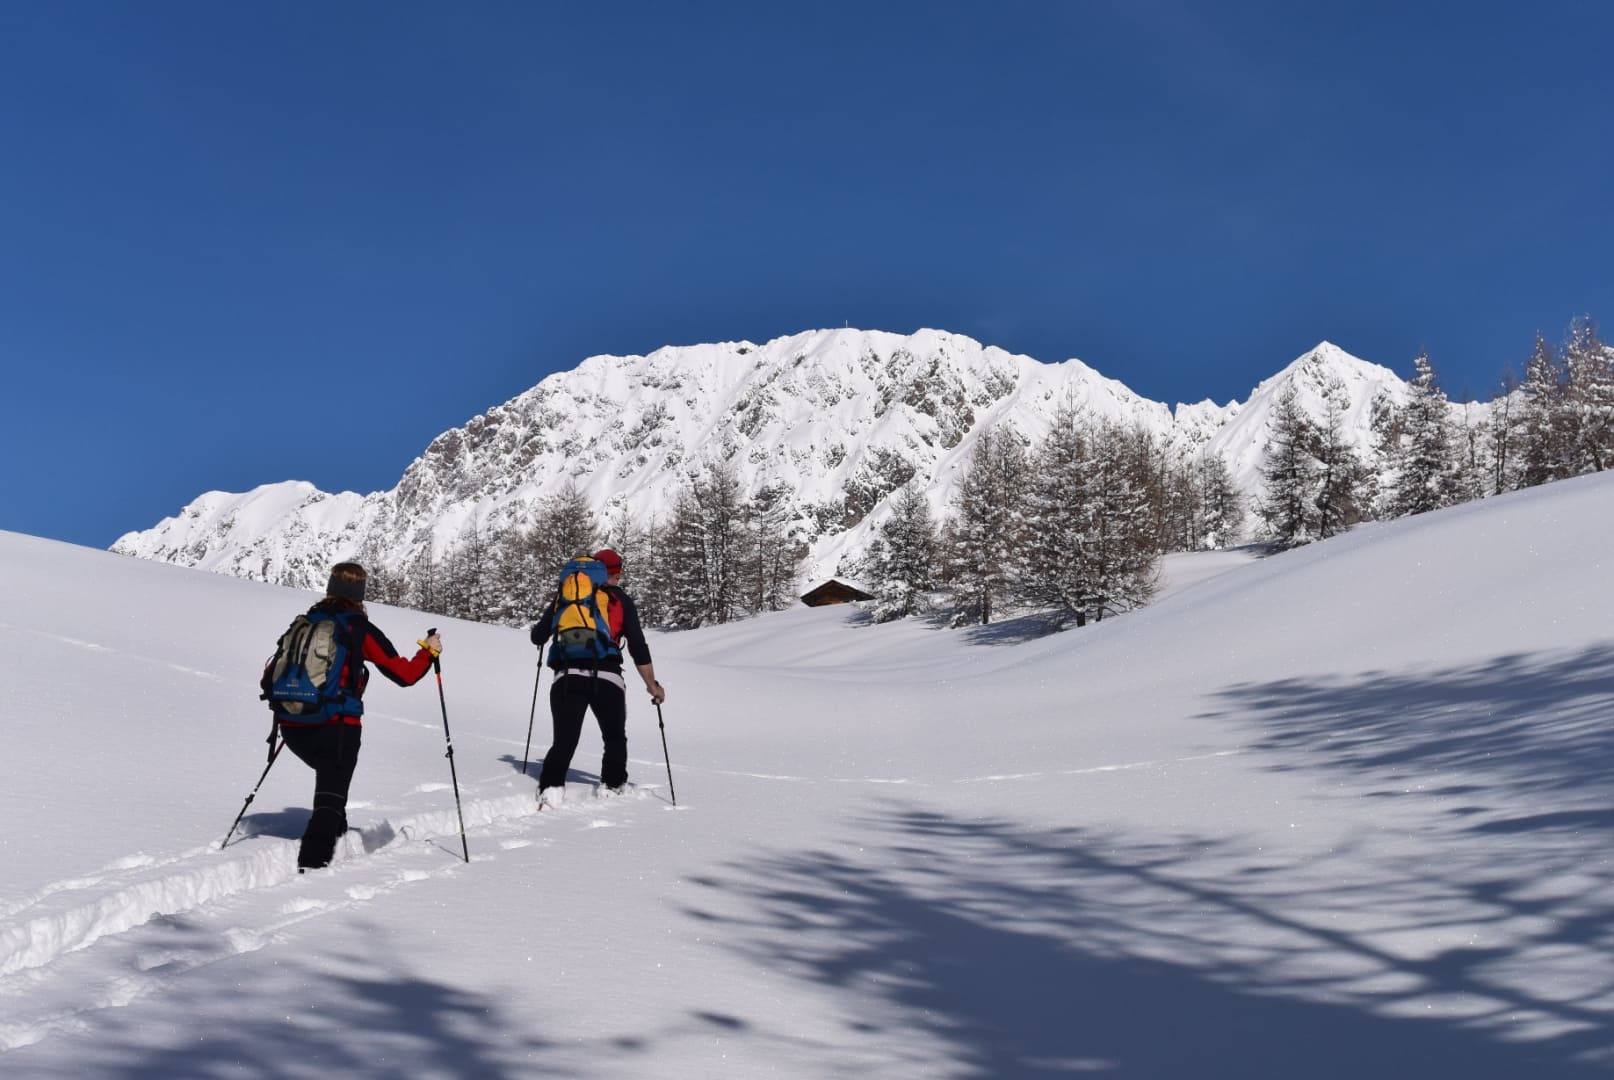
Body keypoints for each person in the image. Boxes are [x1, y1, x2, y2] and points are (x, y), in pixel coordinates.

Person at [262, 562, 441, 869]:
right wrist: (429, 651)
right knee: (329, 801)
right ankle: (311, 869)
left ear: (330, 588)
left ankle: (338, 841)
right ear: (360, 593)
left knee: (333, 792)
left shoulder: (305, 622)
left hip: (291, 727)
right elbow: (404, 674)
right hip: (337, 728)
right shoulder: (358, 628)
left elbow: (269, 675)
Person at [530, 547, 664, 807]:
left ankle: (550, 790)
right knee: (614, 737)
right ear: (612, 573)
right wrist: (652, 685)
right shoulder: (620, 601)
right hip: (608, 678)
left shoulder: (567, 595)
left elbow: (538, 637)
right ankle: (612, 787)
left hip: (566, 676)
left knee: (564, 740)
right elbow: (638, 647)